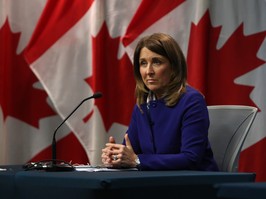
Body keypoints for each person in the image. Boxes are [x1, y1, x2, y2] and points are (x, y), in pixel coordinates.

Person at [101, 33, 219, 171]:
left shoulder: (191, 101)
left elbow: (190, 158)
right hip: (156, 183)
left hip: (192, 184)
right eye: (143, 63)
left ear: (174, 66)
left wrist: (137, 160)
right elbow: (130, 152)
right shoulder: (142, 105)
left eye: (157, 62)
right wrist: (116, 156)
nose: (149, 71)